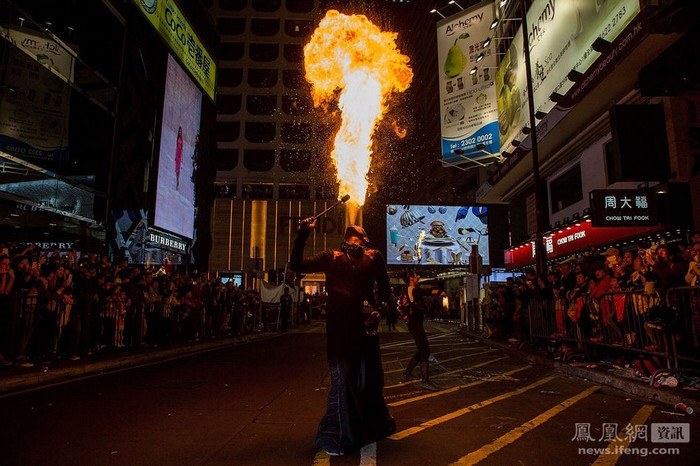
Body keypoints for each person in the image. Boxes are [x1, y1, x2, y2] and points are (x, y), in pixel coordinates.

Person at [290, 219, 395, 456]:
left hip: (367, 331)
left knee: (370, 382)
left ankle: (372, 427)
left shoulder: (373, 256)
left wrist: (379, 310)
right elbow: (296, 264)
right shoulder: (332, 256)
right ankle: (335, 436)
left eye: (361, 228)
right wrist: (303, 234)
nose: (356, 225)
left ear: (366, 238)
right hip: (340, 332)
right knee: (342, 383)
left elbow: (387, 294)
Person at [400, 270, 443, 392]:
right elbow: (426, 291)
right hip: (415, 325)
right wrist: (438, 291)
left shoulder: (410, 289)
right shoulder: (411, 289)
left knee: (421, 350)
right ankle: (425, 381)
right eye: (415, 276)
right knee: (425, 350)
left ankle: (407, 373)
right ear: (411, 279)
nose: (418, 277)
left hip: (415, 324)